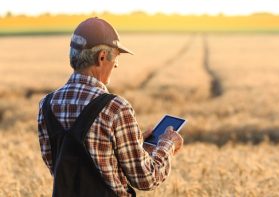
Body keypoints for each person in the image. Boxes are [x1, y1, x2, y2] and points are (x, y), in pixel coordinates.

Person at [37, 17, 183, 197]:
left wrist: (138, 146)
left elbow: (61, 167)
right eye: (116, 57)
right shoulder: (116, 108)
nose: (116, 65)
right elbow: (146, 179)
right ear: (102, 57)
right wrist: (167, 144)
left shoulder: (46, 105)